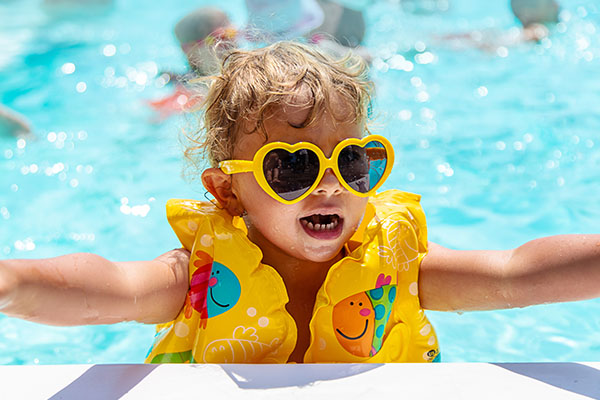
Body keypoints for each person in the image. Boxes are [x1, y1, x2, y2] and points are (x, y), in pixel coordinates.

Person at [1, 41, 599, 364]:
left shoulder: (401, 269)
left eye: (354, 162)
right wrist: (10, 282)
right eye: (292, 166)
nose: (331, 185)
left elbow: (519, 275)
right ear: (228, 191)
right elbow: (102, 290)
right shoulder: (201, 278)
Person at [149, 1, 370, 120]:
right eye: (220, 38)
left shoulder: (255, 67)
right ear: (191, 51)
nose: (231, 45)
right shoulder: (187, 91)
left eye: (234, 34)